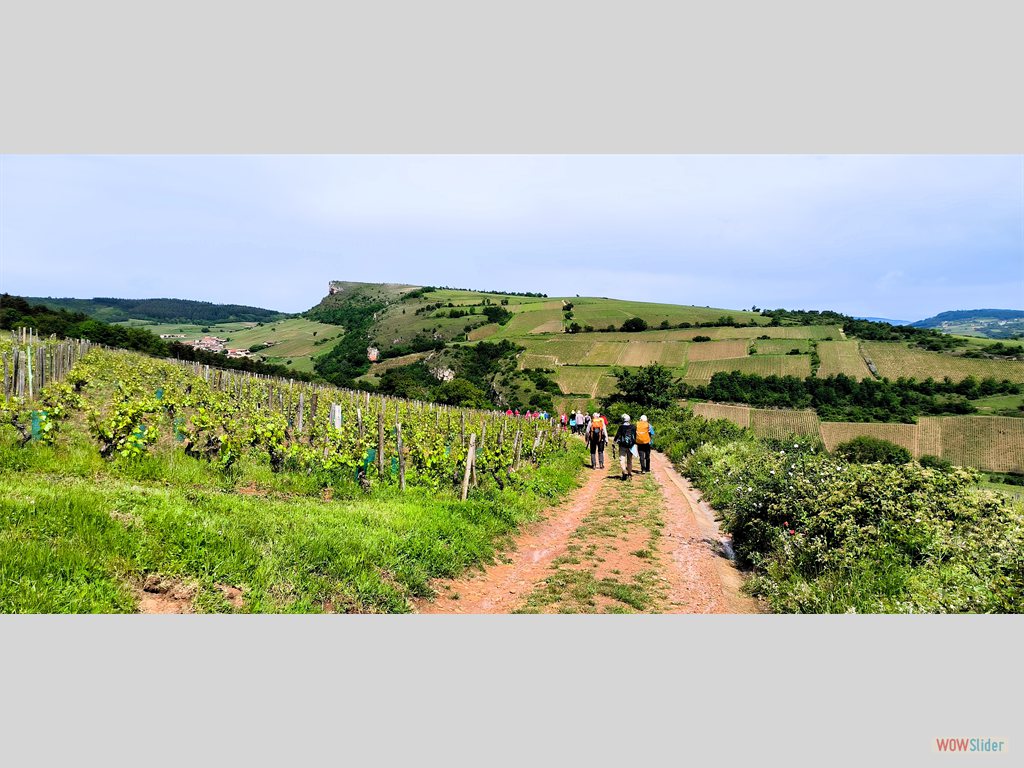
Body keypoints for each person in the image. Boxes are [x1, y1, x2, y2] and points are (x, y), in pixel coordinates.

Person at [615, 413, 637, 480]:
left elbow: (617, 435)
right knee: (629, 460)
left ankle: (624, 472)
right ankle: (630, 473)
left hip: (622, 445)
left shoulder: (621, 427)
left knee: (622, 459)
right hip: (630, 446)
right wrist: (634, 443)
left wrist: (614, 442)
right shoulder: (633, 426)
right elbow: (635, 436)